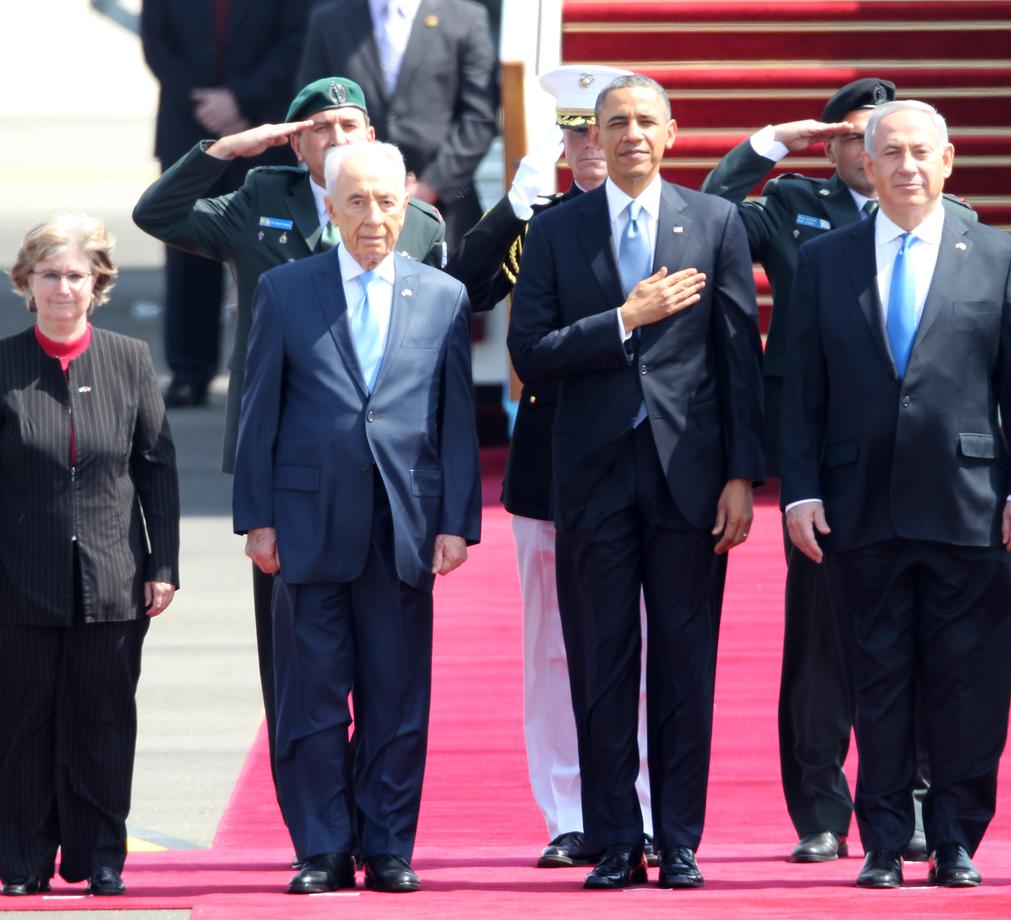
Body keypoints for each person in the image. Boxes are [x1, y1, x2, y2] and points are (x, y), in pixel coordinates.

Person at [133, 76, 445, 812]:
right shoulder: (259, 202)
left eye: (350, 126)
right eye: (320, 129)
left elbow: (429, 345)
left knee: (387, 663)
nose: (338, 140)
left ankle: (380, 823)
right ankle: (315, 821)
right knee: (299, 665)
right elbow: (161, 212)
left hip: (384, 473)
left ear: (373, 138)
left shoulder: (419, 223)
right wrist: (228, 149)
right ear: (296, 141)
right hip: (287, 468)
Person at [701, 77, 974, 864]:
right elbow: (709, 217)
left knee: (921, 642)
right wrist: (773, 141)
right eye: (853, 137)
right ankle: (821, 811)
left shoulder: (955, 222)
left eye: (881, 137)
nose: (869, 152)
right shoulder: (791, 206)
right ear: (834, 143)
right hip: (823, 453)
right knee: (820, 642)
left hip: (920, 460)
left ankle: (917, 805)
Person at [781, 99, 1011, 890]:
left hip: (969, 505)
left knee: (966, 680)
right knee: (878, 679)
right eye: (889, 152)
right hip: (858, 506)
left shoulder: (998, 254)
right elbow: (802, 390)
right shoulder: (826, 259)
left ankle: (957, 837)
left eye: (919, 152)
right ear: (865, 162)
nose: (905, 166)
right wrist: (799, 493)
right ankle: (882, 838)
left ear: (947, 160)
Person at [508, 74, 766, 890]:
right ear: (597, 136)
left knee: (687, 663)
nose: (630, 136)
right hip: (590, 478)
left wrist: (740, 476)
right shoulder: (557, 230)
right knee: (600, 661)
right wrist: (627, 316)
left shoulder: (716, 221)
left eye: (645, 122)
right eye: (615, 123)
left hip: (689, 480)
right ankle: (616, 836)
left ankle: (679, 837)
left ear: (672, 132)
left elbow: (737, 362)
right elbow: (531, 353)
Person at [233, 140, 480, 895]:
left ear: (406, 207)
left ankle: (389, 844)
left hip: (402, 525)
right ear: (331, 208)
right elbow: (258, 413)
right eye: (357, 201)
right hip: (308, 525)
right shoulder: (287, 288)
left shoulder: (442, 295)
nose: (374, 216)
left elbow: (455, 420)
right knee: (310, 696)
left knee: (396, 695)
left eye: (387, 201)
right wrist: (257, 519)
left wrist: (455, 521)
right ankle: (323, 847)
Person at [450, 63, 663, 869]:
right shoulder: (542, 225)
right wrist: (512, 207)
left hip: (648, 460)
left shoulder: (667, 215)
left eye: (597, 129)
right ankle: (571, 808)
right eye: (574, 133)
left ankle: (640, 808)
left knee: (646, 641)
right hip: (557, 466)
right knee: (554, 646)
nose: (589, 148)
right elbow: (463, 292)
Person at [0, 215, 180, 897]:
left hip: (112, 578)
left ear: (98, 283)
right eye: (49, 275)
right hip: (18, 579)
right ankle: (20, 860)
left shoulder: (129, 360)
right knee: (21, 725)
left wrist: (163, 564)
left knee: (102, 723)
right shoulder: (5, 363)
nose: (63, 287)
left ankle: (100, 856)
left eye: (76, 275)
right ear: (27, 283)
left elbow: (157, 467)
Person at [141, 0, 311, 407]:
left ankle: (279, 367)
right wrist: (206, 104)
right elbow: (157, 44)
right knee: (187, 256)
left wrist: (241, 101)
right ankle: (189, 371)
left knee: (271, 252)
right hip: (189, 126)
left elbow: (295, 41)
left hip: (265, 129)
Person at [298, 0, 498, 252]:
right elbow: (312, 113)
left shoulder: (466, 18)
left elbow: (479, 119)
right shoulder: (329, 19)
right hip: (351, 211)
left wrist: (429, 187)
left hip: (444, 211)